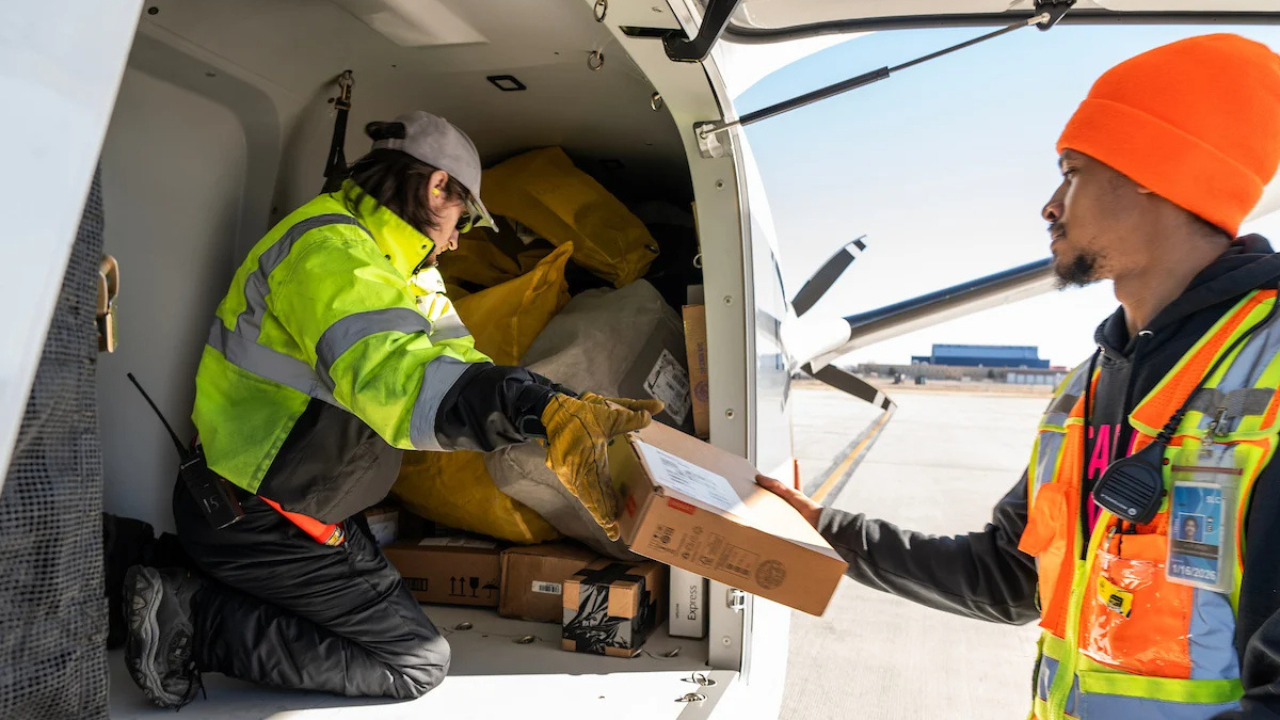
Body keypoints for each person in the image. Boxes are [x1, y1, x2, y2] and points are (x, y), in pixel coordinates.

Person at [760, 34, 1280, 718]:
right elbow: (1012, 575)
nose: (1050, 204)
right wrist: (825, 530)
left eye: (1072, 171)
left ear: (1155, 173)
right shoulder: (1092, 383)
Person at [121, 111, 662, 708]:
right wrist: (535, 409)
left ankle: (180, 578)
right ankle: (195, 622)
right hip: (258, 515)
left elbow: (460, 370)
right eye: (462, 218)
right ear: (436, 187)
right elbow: (400, 379)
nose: (457, 239)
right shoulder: (330, 253)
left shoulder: (404, 272)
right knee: (414, 663)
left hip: (288, 502)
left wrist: (549, 411)